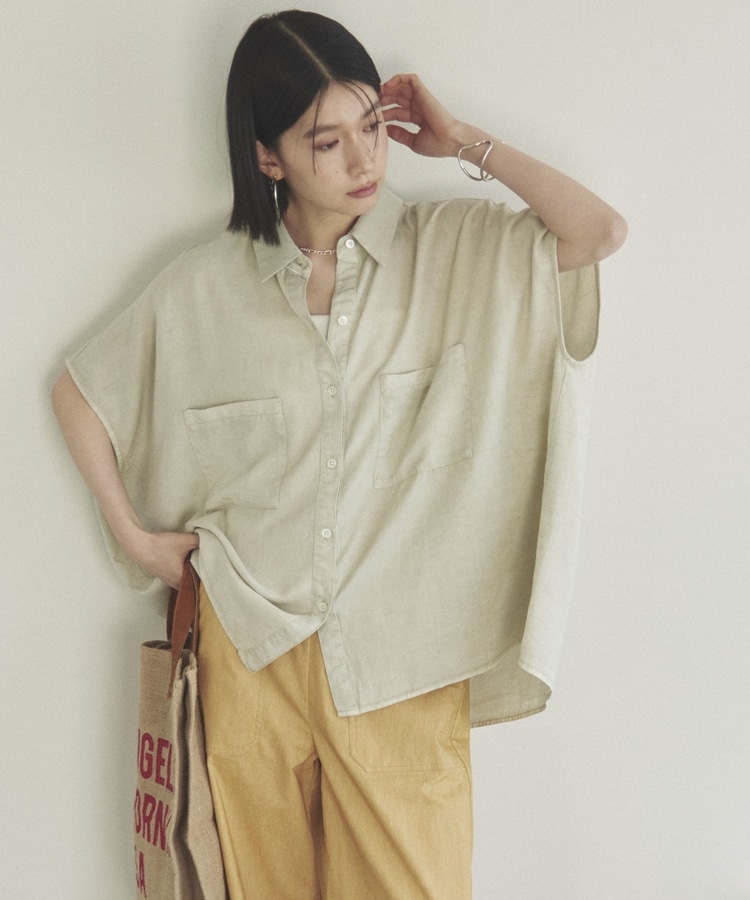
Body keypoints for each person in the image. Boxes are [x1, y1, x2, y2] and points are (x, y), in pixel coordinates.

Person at [53, 9, 626, 899]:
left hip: (402, 662)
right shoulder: (206, 286)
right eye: (327, 142)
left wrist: (463, 142)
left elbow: (596, 234)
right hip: (251, 655)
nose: (364, 160)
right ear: (268, 157)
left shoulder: (452, 251)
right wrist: (136, 539)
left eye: (371, 126)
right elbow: (80, 394)